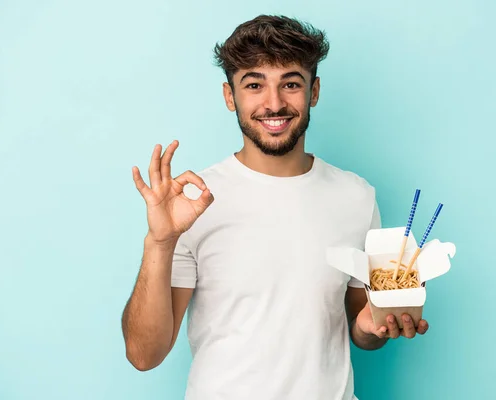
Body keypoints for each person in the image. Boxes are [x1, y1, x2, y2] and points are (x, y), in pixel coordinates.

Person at [121, 14, 429, 400]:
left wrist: (372, 327)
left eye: (291, 83)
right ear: (229, 95)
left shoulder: (357, 196)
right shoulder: (193, 203)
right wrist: (160, 242)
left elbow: (360, 326)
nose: (274, 103)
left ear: (313, 91)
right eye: (254, 84)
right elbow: (144, 355)